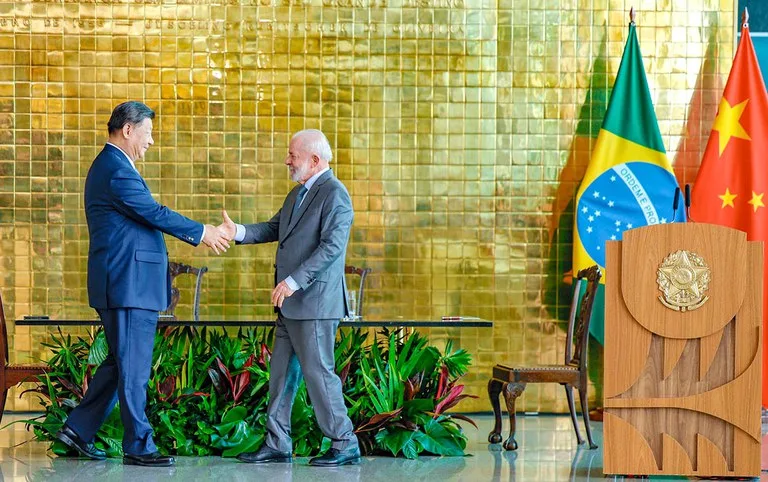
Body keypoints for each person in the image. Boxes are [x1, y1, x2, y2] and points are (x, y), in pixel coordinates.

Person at [54, 101, 231, 467]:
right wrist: (203, 232)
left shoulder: (114, 167)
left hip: (126, 283)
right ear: (128, 129)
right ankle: (139, 445)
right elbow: (153, 212)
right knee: (133, 367)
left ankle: (77, 429)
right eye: (148, 133)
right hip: (127, 285)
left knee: (122, 363)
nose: (151, 141)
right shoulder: (116, 170)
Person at [218, 129, 361, 467]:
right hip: (290, 306)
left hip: (312, 304)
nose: (287, 160)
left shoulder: (335, 194)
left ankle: (345, 442)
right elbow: (273, 229)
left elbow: (331, 249)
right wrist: (236, 231)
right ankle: (277, 442)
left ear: (315, 159)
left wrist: (294, 281)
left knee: (319, 374)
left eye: (292, 155)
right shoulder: (298, 194)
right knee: (281, 374)